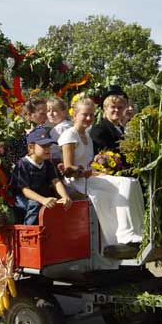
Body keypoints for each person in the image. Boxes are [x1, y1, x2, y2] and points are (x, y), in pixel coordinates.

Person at [58, 97, 144, 249]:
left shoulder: (88, 137)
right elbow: (69, 169)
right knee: (123, 183)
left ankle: (138, 232)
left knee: (131, 182)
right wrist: (83, 172)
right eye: (85, 114)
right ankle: (123, 235)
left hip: (89, 177)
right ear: (75, 114)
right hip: (76, 182)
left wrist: (100, 172)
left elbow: (90, 166)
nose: (89, 118)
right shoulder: (69, 135)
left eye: (91, 115)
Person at [9, 127, 72, 225]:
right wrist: (43, 200)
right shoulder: (23, 164)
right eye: (44, 146)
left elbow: (56, 181)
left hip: (42, 198)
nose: (48, 149)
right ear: (31, 147)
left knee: (54, 203)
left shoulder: (47, 163)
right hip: (23, 200)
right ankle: (28, 232)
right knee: (34, 204)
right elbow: (25, 190)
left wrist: (65, 197)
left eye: (49, 146)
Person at [7, 98, 48, 169]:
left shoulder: (42, 132)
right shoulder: (15, 131)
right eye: (42, 113)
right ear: (29, 114)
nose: (46, 117)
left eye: (46, 113)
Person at [90, 86, 128, 155]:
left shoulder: (121, 129)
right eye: (113, 107)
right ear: (105, 108)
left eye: (120, 107)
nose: (117, 110)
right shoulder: (99, 130)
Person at [46, 96, 73, 165]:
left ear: (64, 112)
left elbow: (54, 153)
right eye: (48, 111)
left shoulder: (59, 129)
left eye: (54, 111)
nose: (51, 114)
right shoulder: (70, 124)